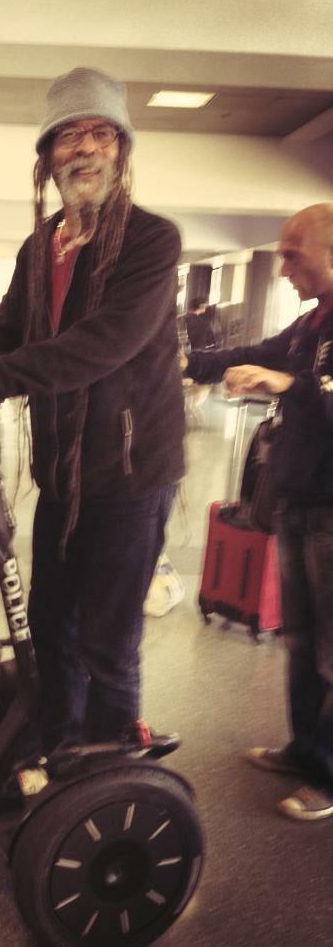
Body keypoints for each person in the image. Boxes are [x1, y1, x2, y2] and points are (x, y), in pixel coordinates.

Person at [0, 67, 185, 754]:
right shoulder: (41, 246)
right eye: (69, 137)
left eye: (101, 134)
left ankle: (107, 770)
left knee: (108, 639)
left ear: (121, 152)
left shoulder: (152, 241)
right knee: (50, 623)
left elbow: (101, 345)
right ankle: (56, 749)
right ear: (48, 159)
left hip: (131, 479)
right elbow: (11, 329)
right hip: (62, 476)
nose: (85, 149)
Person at [182, 202, 333, 821]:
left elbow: (311, 388)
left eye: (294, 256)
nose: (284, 268)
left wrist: (289, 386)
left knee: (332, 652)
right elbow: (258, 351)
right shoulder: (311, 324)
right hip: (300, 503)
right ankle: (305, 749)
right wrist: (184, 364)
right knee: (300, 641)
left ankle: (327, 777)